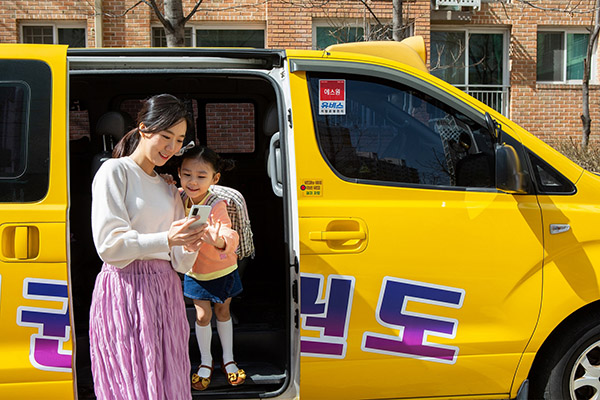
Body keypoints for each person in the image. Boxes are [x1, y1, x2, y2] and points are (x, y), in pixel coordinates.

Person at [89, 94, 205, 400]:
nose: (172, 148)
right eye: (166, 137)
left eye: (179, 140)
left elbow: (180, 262)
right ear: (144, 129)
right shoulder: (115, 172)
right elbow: (109, 245)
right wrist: (166, 239)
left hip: (166, 290)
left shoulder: (168, 186)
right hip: (126, 290)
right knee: (133, 383)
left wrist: (192, 240)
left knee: (167, 381)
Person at [176, 145, 246, 391]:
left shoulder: (217, 204)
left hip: (222, 270)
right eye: (187, 174)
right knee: (202, 316)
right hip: (194, 271)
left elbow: (227, 232)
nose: (192, 182)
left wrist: (217, 240)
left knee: (223, 312)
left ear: (215, 178)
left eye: (201, 176)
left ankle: (228, 358)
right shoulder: (177, 197)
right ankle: (206, 360)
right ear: (178, 174)